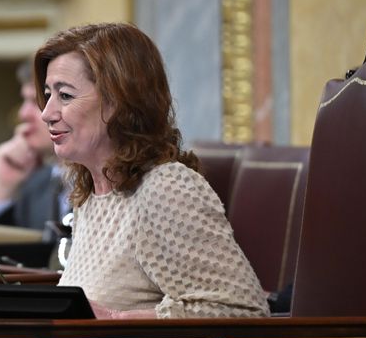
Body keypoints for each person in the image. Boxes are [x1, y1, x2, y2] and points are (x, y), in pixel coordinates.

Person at [35, 22, 269, 319]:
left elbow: (242, 310)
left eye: (65, 96)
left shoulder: (165, 188)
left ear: (118, 100)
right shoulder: (91, 196)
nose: (47, 113)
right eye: (48, 94)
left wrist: (116, 320)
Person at [0, 60, 69, 230]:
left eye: (36, 101)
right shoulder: (35, 184)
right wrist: (3, 188)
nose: (23, 114)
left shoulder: (108, 185)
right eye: (24, 100)